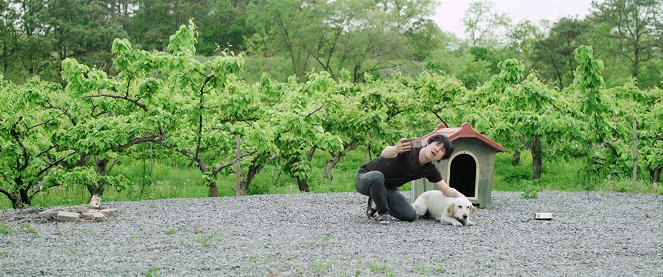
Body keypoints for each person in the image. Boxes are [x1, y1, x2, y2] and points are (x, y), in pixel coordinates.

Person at [355, 134, 464, 224]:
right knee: (377, 176)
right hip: (366, 178)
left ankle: (376, 201)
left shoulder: (430, 170)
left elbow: (446, 190)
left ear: (441, 158)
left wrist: (463, 199)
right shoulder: (409, 149)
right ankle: (383, 213)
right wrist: (395, 148)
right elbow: (385, 153)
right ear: (428, 143)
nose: (437, 149)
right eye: (437, 144)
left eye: (442, 150)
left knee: (410, 215)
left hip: (387, 188)